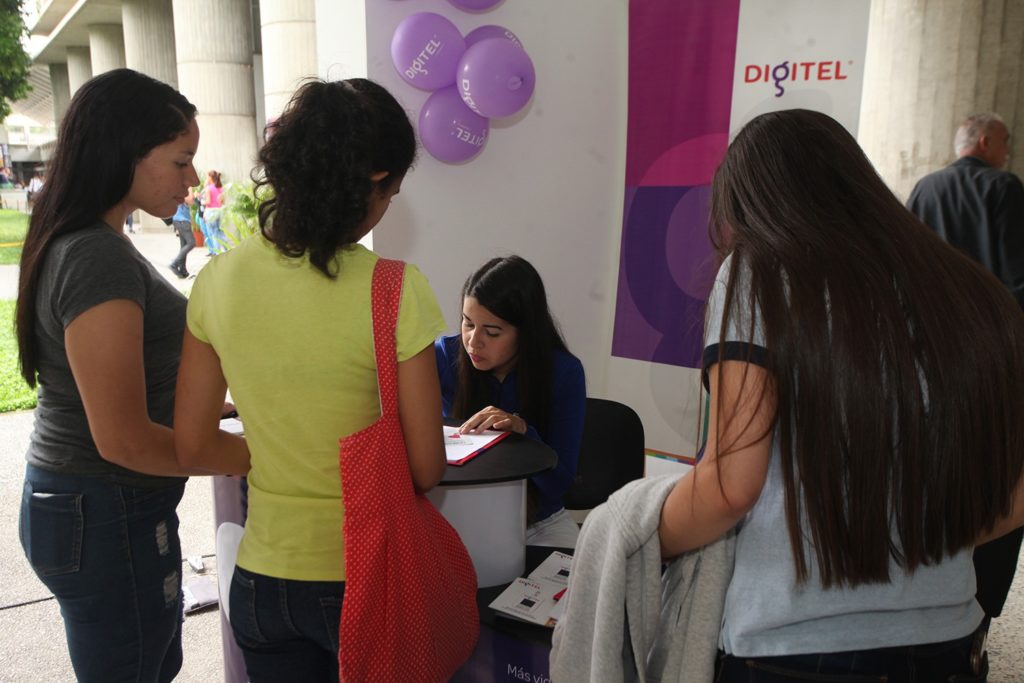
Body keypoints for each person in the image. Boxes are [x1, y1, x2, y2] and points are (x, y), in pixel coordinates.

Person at [657, 109, 1024, 681]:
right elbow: (1011, 498)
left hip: (794, 650)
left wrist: (636, 538)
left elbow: (730, 486)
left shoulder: (758, 273)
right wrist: (919, 542)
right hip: (948, 643)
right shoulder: (970, 292)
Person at [173, 78, 449, 681]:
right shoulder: (394, 289)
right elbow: (426, 468)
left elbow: (192, 447)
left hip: (259, 582)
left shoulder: (217, 281)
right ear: (373, 182)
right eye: (391, 194)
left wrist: (277, 455)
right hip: (362, 577)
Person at [14, 68, 250, 683]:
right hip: (104, 507)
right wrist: (253, 456)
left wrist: (202, 409)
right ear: (126, 153)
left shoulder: (90, 241)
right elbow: (121, 438)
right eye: (180, 161)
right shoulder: (95, 255)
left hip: (94, 505)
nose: (192, 180)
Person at [907, 112, 1024, 626]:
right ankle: (979, 607)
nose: (1007, 150)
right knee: (998, 474)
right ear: (985, 140)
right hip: (992, 355)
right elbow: (1017, 277)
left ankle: (931, 587)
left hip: (931, 352)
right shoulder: (1004, 187)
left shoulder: (925, 188)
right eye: (1005, 141)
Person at [435, 255, 586, 548]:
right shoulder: (444, 355)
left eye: (492, 332)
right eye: (468, 323)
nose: (473, 341)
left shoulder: (564, 372)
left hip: (539, 521)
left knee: (577, 573)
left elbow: (559, 484)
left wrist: (524, 433)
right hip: (459, 514)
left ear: (526, 333)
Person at [168, 188, 197, 278]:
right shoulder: (185, 188)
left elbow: (190, 202)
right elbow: (191, 200)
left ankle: (182, 269)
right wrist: (192, 192)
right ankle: (174, 263)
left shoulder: (177, 187)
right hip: (182, 220)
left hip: (179, 219)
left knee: (184, 245)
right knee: (191, 243)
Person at [200, 169, 226, 255]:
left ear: (210, 177)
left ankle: (217, 253)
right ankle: (226, 250)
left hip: (210, 212)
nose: (206, 178)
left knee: (213, 234)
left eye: (207, 177)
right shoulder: (220, 188)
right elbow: (222, 202)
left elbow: (208, 202)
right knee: (220, 231)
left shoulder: (208, 188)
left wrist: (202, 202)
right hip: (219, 211)